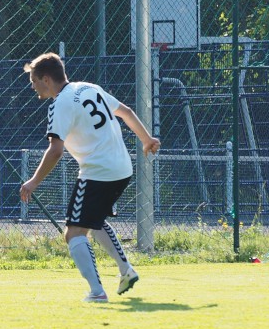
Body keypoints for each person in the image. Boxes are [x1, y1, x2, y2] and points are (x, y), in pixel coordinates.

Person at [18, 52, 161, 303]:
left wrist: (34, 181)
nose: (32, 87)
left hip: (98, 172)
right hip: (121, 168)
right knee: (93, 221)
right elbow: (126, 112)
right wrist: (146, 139)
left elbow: (56, 150)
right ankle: (126, 271)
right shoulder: (88, 87)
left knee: (74, 233)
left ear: (46, 79)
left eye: (34, 81)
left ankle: (97, 292)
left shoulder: (60, 104)